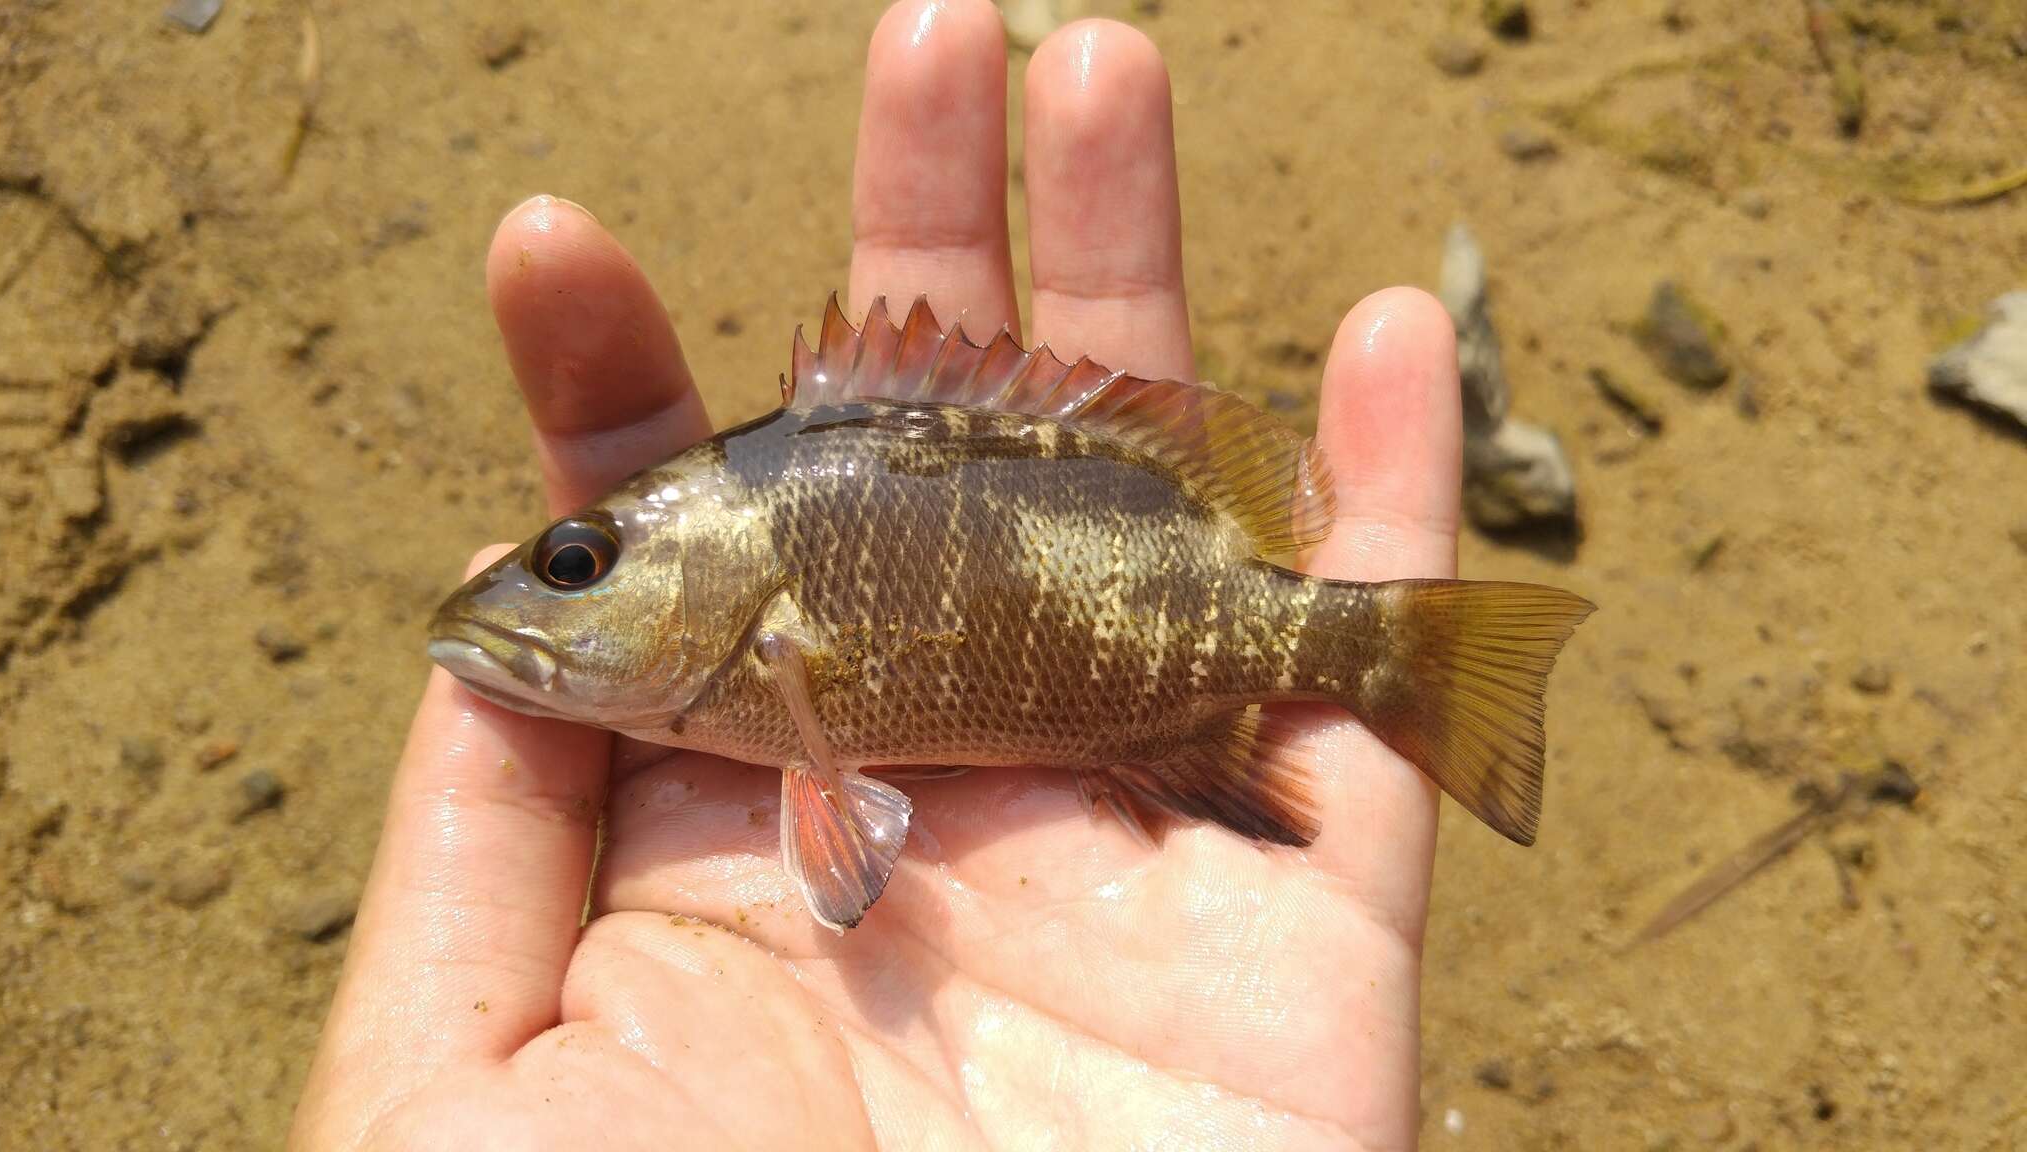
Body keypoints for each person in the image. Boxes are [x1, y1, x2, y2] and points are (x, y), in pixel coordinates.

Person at [291, 2, 1461, 1147]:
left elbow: (841, 821)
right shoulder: (756, 646)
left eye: (578, 565)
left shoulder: (769, 614)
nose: (542, 592)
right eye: (572, 566)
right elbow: (838, 817)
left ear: (710, 566)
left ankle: (1397, 653)